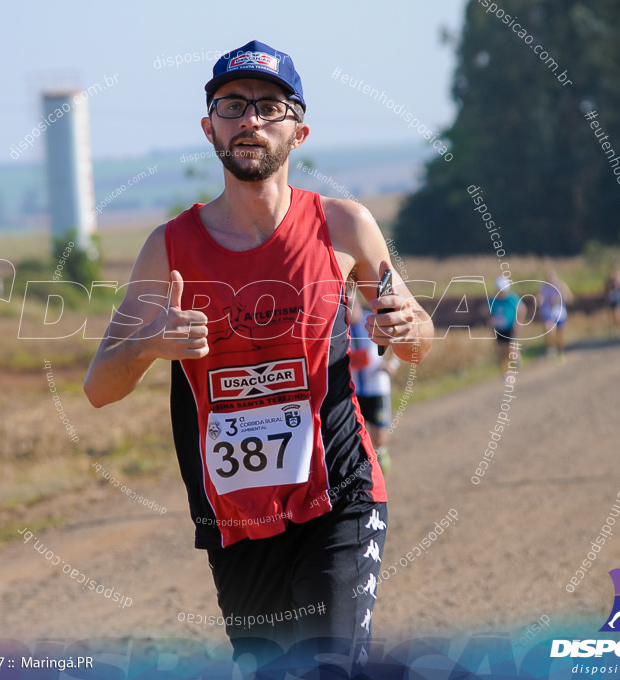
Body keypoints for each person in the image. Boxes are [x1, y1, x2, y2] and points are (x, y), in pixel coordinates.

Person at [83, 40, 433, 678]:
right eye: (232, 105)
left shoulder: (344, 226)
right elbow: (98, 388)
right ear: (208, 126)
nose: (249, 120)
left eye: (269, 107)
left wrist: (408, 323)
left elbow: (415, 338)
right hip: (237, 517)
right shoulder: (168, 248)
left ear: (298, 131)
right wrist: (149, 344)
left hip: (339, 495)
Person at [346, 290, 400, 474]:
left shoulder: (373, 322)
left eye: (350, 303)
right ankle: (366, 473)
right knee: (356, 436)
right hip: (352, 389)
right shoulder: (339, 329)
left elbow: (395, 346)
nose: (347, 309)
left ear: (357, 303)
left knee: (379, 436)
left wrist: (392, 365)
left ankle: (382, 458)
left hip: (377, 386)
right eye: (343, 305)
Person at [537, 268, 572, 359]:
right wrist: (539, 300)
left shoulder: (561, 285)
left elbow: (570, 298)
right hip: (548, 314)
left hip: (560, 314)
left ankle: (560, 350)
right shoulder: (543, 287)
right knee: (549, 330)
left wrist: (561, 298)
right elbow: (540, 297)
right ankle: (551, 348)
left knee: (560, 335)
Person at [603, 268, 620, 335]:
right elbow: (606, 290)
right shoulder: (609, 281)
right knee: (614, 314)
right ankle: (616, 327)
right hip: (613, 299)